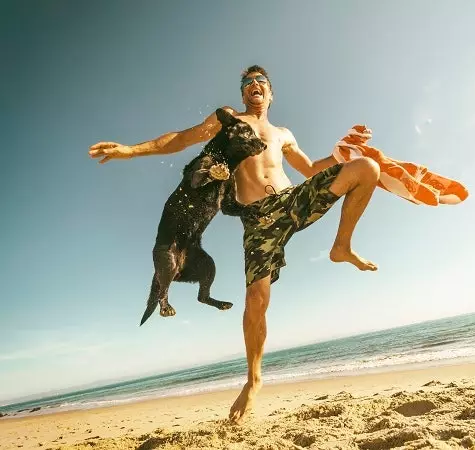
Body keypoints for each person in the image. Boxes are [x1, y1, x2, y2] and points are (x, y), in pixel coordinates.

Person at [89, 65, 380, 424]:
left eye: (260, 83)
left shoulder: (283, 134)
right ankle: (253, 380)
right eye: (247, 83)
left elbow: (310, 169)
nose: (253, 86)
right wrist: (131, 151)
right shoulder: (229, 121)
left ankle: (341, 247)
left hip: (291, 201)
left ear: (270, 93)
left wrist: (341, 153)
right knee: (257, 300)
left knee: (366, 168)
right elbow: (182, 138)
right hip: (258, 218)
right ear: (243, 93)